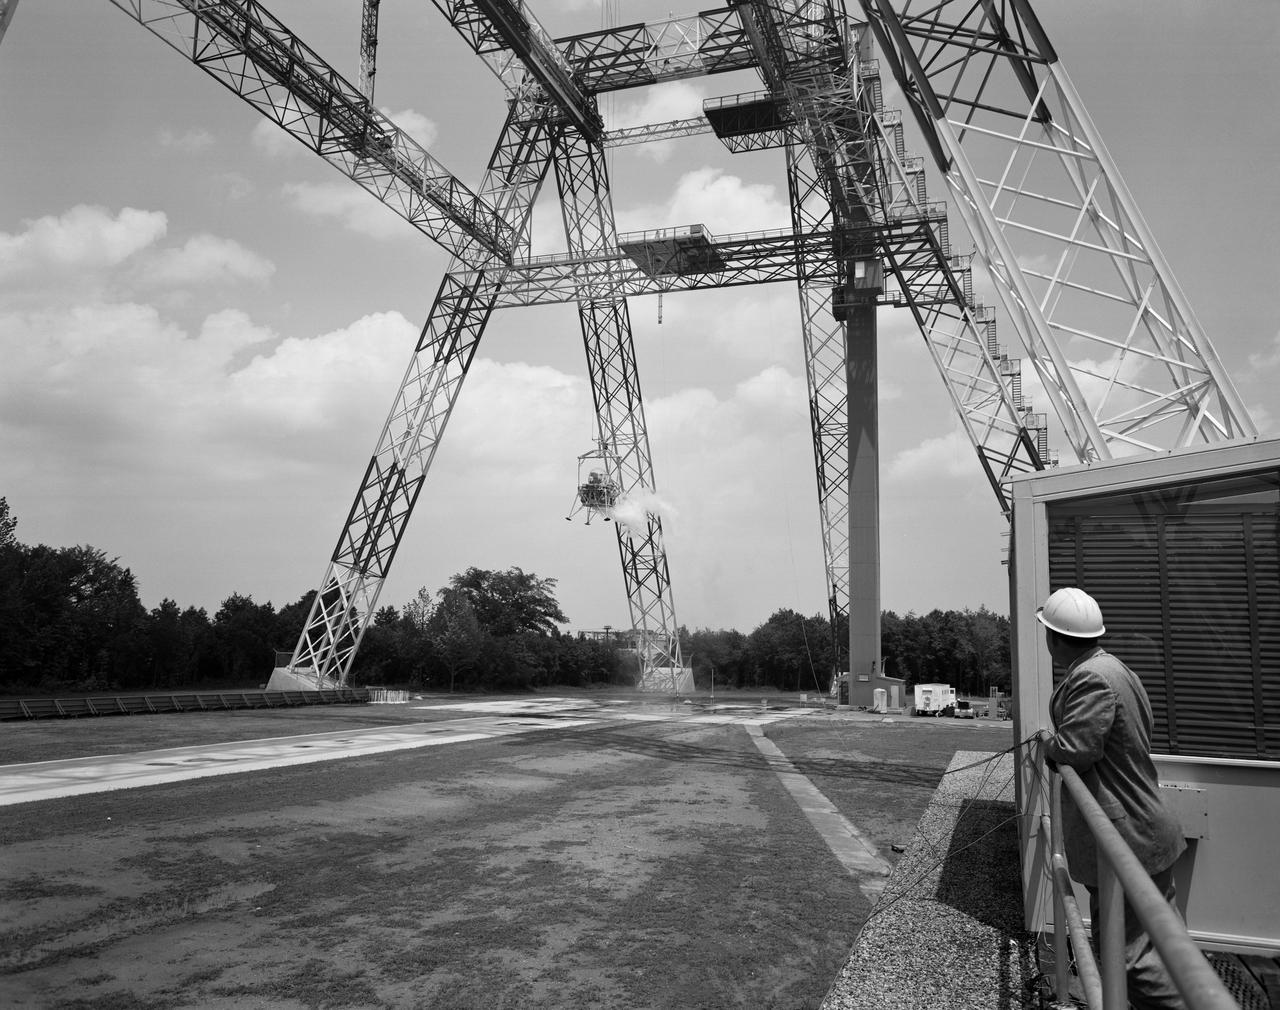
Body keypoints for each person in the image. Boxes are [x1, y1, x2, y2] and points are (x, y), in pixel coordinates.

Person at [1034, 586, 1188, 1010]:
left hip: (1126, 838)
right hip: (1144, 829)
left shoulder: (1090, 678)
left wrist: (1050, 746)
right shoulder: (1116, 669)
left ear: (1054, 638)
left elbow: (1076, 749)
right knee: (1165, 948)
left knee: (1134, 962)